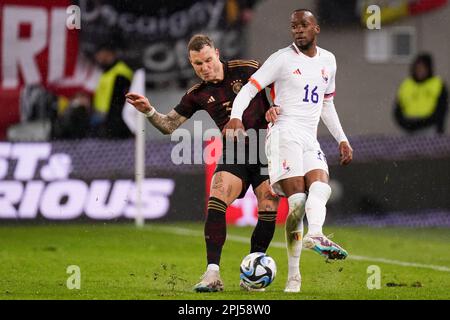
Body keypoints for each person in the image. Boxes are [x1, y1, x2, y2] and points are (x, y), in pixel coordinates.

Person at [125, 34, 279, 292]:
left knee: (268, 202)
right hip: (236, 153)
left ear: (217, 53)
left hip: (268, 148)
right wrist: (150, 111)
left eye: (208, 60)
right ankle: (212, 273)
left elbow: (282, 84)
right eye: (198, 64)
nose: (205, 68)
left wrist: (277, 106)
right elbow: (169, 125)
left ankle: (252, 273)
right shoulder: (197, 94)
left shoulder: (247, 68)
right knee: (217, 194)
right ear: (191, 64)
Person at [224, 9, 353, 293]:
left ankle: (315, 235)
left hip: (309, 137)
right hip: (283, 133)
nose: (297, 30)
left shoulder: (328, 61)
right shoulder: (281, 59)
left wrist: (342, 139)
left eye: (303, 25)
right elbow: (248, 89)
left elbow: (327, 103)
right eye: (293, 26)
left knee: (321, 188)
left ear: (315, 28)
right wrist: (236, 116)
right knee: (297, 202)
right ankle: (294, 278)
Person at [394, 53, 448, 135]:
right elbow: (398, 109)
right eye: (417, 68)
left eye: (423, 68)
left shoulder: (438, 84)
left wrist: (422, 123)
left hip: (430, 127)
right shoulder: (406, 85)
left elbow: (442, 110)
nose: (420, 71)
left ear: (429, 69)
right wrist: (405, 124)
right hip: (408, 128)